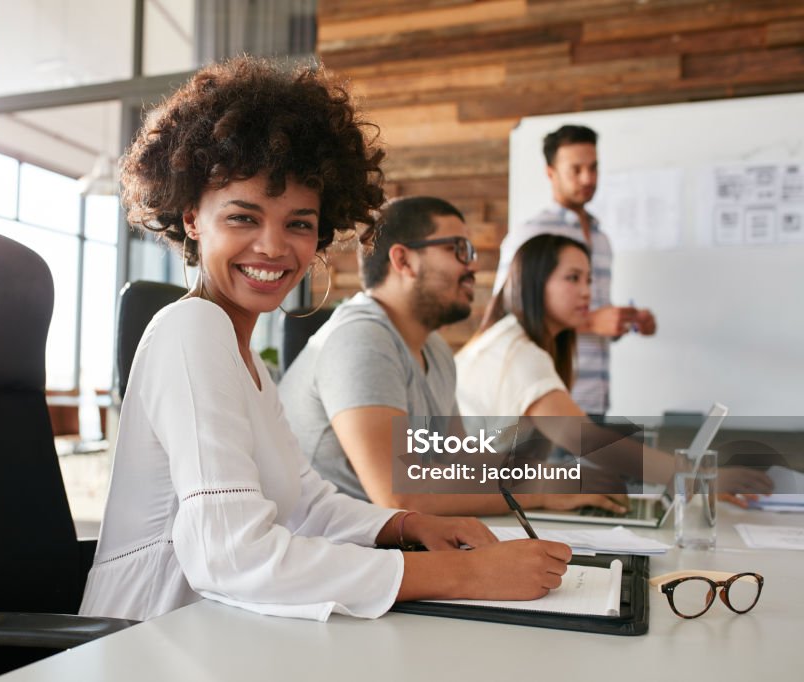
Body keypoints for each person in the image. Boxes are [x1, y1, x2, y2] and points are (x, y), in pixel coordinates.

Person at [79, 58, 572, 624]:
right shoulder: (192, 329)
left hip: (222, 629)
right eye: (243, 217)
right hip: (148, 641)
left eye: (298, 223)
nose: (273, 247)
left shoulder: (247, 358)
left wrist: (407, 526)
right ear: (192, 218)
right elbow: (231, 555)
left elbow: (305, 501)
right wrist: (467, 574)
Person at [279, 196, 625, 516]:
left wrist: (560, 477)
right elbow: (399, 497)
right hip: (336, 556)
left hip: (388, 546)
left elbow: (461, 464)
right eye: (459, 249)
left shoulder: (435, 349)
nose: (473, 265)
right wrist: (544, 491)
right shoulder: (360, 340)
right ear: (404, 261)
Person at [458, 234, 772, 504]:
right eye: (572, 278)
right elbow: (586, 439)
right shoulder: (519, 352)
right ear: (535, 283)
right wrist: (696, 477)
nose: (586, 291)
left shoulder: (511, 339)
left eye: (589, 279)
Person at [494, 124, 656, 416]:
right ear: (550, 173)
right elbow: (507, 313)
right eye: (576, 169)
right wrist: (592, 322)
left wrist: (624, 322)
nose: (588, 178)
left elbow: (591, 314)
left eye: (594, 168)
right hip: (547, 400)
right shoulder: (531, 234)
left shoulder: (602, 239)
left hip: (596, 399)